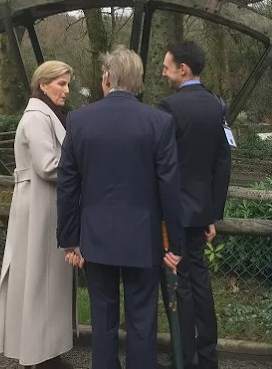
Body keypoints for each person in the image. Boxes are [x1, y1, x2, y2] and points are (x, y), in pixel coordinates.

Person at [56, 45, 184, 369]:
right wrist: (176, 243)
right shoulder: (160, 122)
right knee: (142, 321)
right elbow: (170, 187)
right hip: (144, 239)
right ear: (138, 82)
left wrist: (70, 238)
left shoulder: (79, 120)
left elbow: (68, 186)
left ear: (106, 79)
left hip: (95, 237)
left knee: (103, 319)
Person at [0, 60, 78, 369]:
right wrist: (84, 167)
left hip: (44, 205)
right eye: (61, 83)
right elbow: (48, 167)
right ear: (43, 84)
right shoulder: (36, 117)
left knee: (43, 279)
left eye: (67, 84)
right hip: (40, 207)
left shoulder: (45, 114)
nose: (66, 90)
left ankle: (45, 350)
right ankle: (41, 354)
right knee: (39, 278)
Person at [158, 41, 231, 369]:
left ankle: (184, 359)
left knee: (181, 287)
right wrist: (213, 213)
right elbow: (223, 162)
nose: (163, 72)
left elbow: (162, 166)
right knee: (201, 284)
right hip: (201, 210)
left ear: (183, 68)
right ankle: (208, 357)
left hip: (175, 213)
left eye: (166, 66)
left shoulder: (168, 108)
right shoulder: (217, 105)